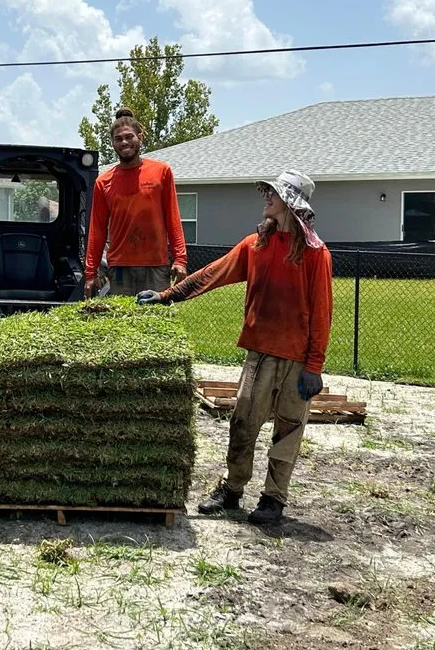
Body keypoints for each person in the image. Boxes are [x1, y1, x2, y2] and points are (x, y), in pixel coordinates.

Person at [138, 170, 333, 525]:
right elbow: (214, 272)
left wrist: (314, 366)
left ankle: (274, 499)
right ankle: (232, 489)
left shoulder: (315, 255)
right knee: (242, 424)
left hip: (296, 360)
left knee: (288, 432)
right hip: (259, 354)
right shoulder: (255, 245)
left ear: (291, 203)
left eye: (273, 194)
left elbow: (322, 312)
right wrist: (167, 296)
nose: (266, 198)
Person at [83, 107, 188, 298]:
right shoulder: (103, 182)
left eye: (129, 137)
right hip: (120, 270)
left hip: (156, 267)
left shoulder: (161, 172)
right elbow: (96, 230)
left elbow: (173, 218)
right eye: (118, 139)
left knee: (156, 322)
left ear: (139, 136)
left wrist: (180, 259)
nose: (124, 142)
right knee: (122, 324)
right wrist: (90, 273)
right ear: (113, 143)